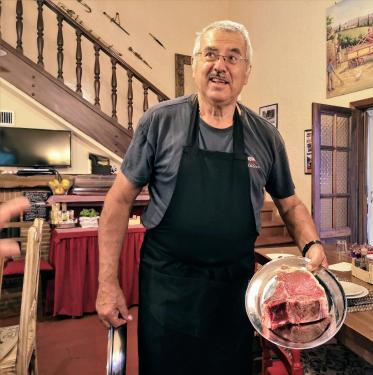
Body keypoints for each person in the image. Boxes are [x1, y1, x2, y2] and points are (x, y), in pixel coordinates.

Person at [96, 20, 327, 375]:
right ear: (195, 64)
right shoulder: (159, 122)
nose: (220, 65)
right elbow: (118, 200)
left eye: (233, 58)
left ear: (246, 72)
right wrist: (107, 283)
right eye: (210, 54)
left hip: (232, 289)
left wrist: (311, 244)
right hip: (168, 286)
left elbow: (290, 203)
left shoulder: (265, 136)